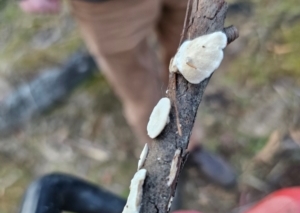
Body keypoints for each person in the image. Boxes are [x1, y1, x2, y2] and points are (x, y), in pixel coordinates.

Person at [19, 0, 236, 188]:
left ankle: (191, 143)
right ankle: (168, 159)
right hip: (108, 7)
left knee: (194, 51)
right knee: (139, 90)